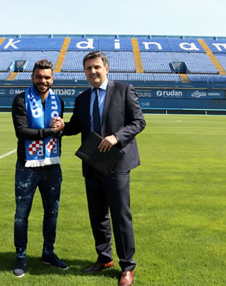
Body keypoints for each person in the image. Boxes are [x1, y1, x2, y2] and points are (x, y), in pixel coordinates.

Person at [57, 51, 146, 286]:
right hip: (92, 162)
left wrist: (116, 137)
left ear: (106, 68)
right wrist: (62, 126)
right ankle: (104, 258)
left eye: (96, 67)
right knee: (97, 215)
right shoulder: (82, 98)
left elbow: (139, 122)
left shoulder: (124, 90)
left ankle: (127, 266)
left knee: (120, 216)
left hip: (117, 164)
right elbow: (76, 127)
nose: (93, 72)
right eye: (88, 68)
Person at [11, 59, 68, 278]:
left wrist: (60, 130)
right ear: (32, 77)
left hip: (52, 166)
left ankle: (48, 253)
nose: (43, 81)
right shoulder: (20, 100)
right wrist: (50, 132)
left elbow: (60, 129)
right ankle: (21, 256)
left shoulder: (58, 101)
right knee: (21, 214)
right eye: (39, 77)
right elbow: (22, 132)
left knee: (52, 213)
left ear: (52, 79)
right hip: (27, 166)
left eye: (47, 77)